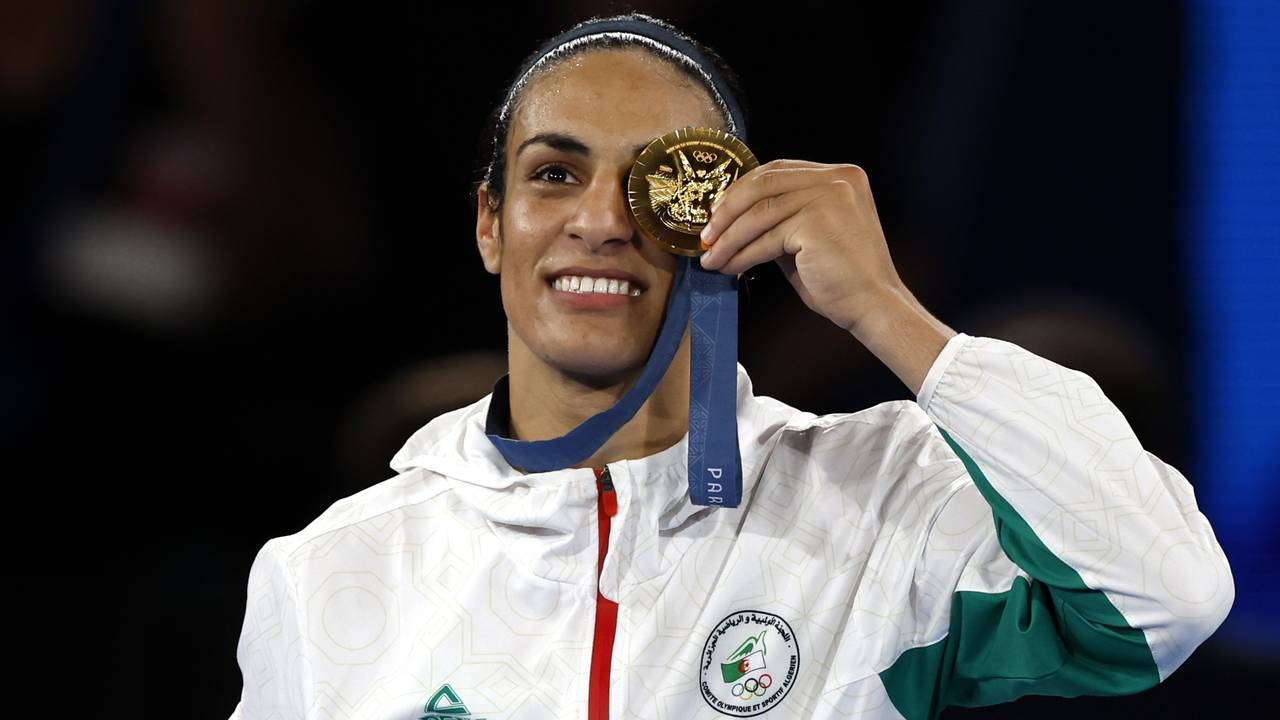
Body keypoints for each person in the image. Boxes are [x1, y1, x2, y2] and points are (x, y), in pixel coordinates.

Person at [227, 12, 1233, 720]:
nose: (597, 221)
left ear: (721, 217)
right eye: (552, 174)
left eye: (652, 181)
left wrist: (884, 313)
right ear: (491, 224)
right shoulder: (329, 574)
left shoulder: (879, 508)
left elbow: (1161, 598)